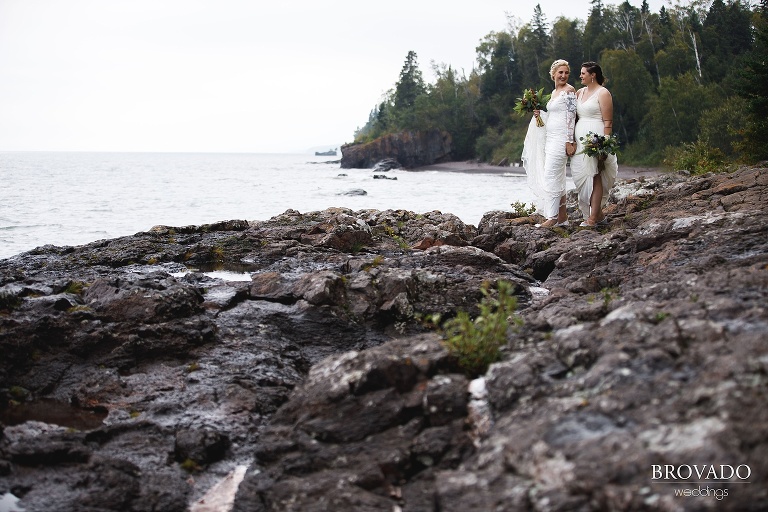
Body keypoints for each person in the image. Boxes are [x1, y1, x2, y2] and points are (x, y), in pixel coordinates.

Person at [521, 59, 577, 227]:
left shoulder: (570, 91)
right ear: (553, 74)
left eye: (566, 73)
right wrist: (539, 115)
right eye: (560, 72)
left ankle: (551, 218)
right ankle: (562, 218)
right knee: (558, 177)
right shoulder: (553, 93)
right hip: (550, 138)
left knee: (550, 175)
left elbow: (571, 117)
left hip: (561, 139)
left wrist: (569, 141)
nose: (563, 75)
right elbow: (554, 117)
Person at [571, 61, 618, 227]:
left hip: (595, 138)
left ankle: (592, 218)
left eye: (583, 73)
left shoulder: (603, 93)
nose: (580, 76)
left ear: (593, 75)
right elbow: (572, 116)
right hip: (580, 139)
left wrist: (604, 144)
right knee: (580, 176)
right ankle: (599, 216)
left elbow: (608, 122)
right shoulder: (579, 92)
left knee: (595, 175)